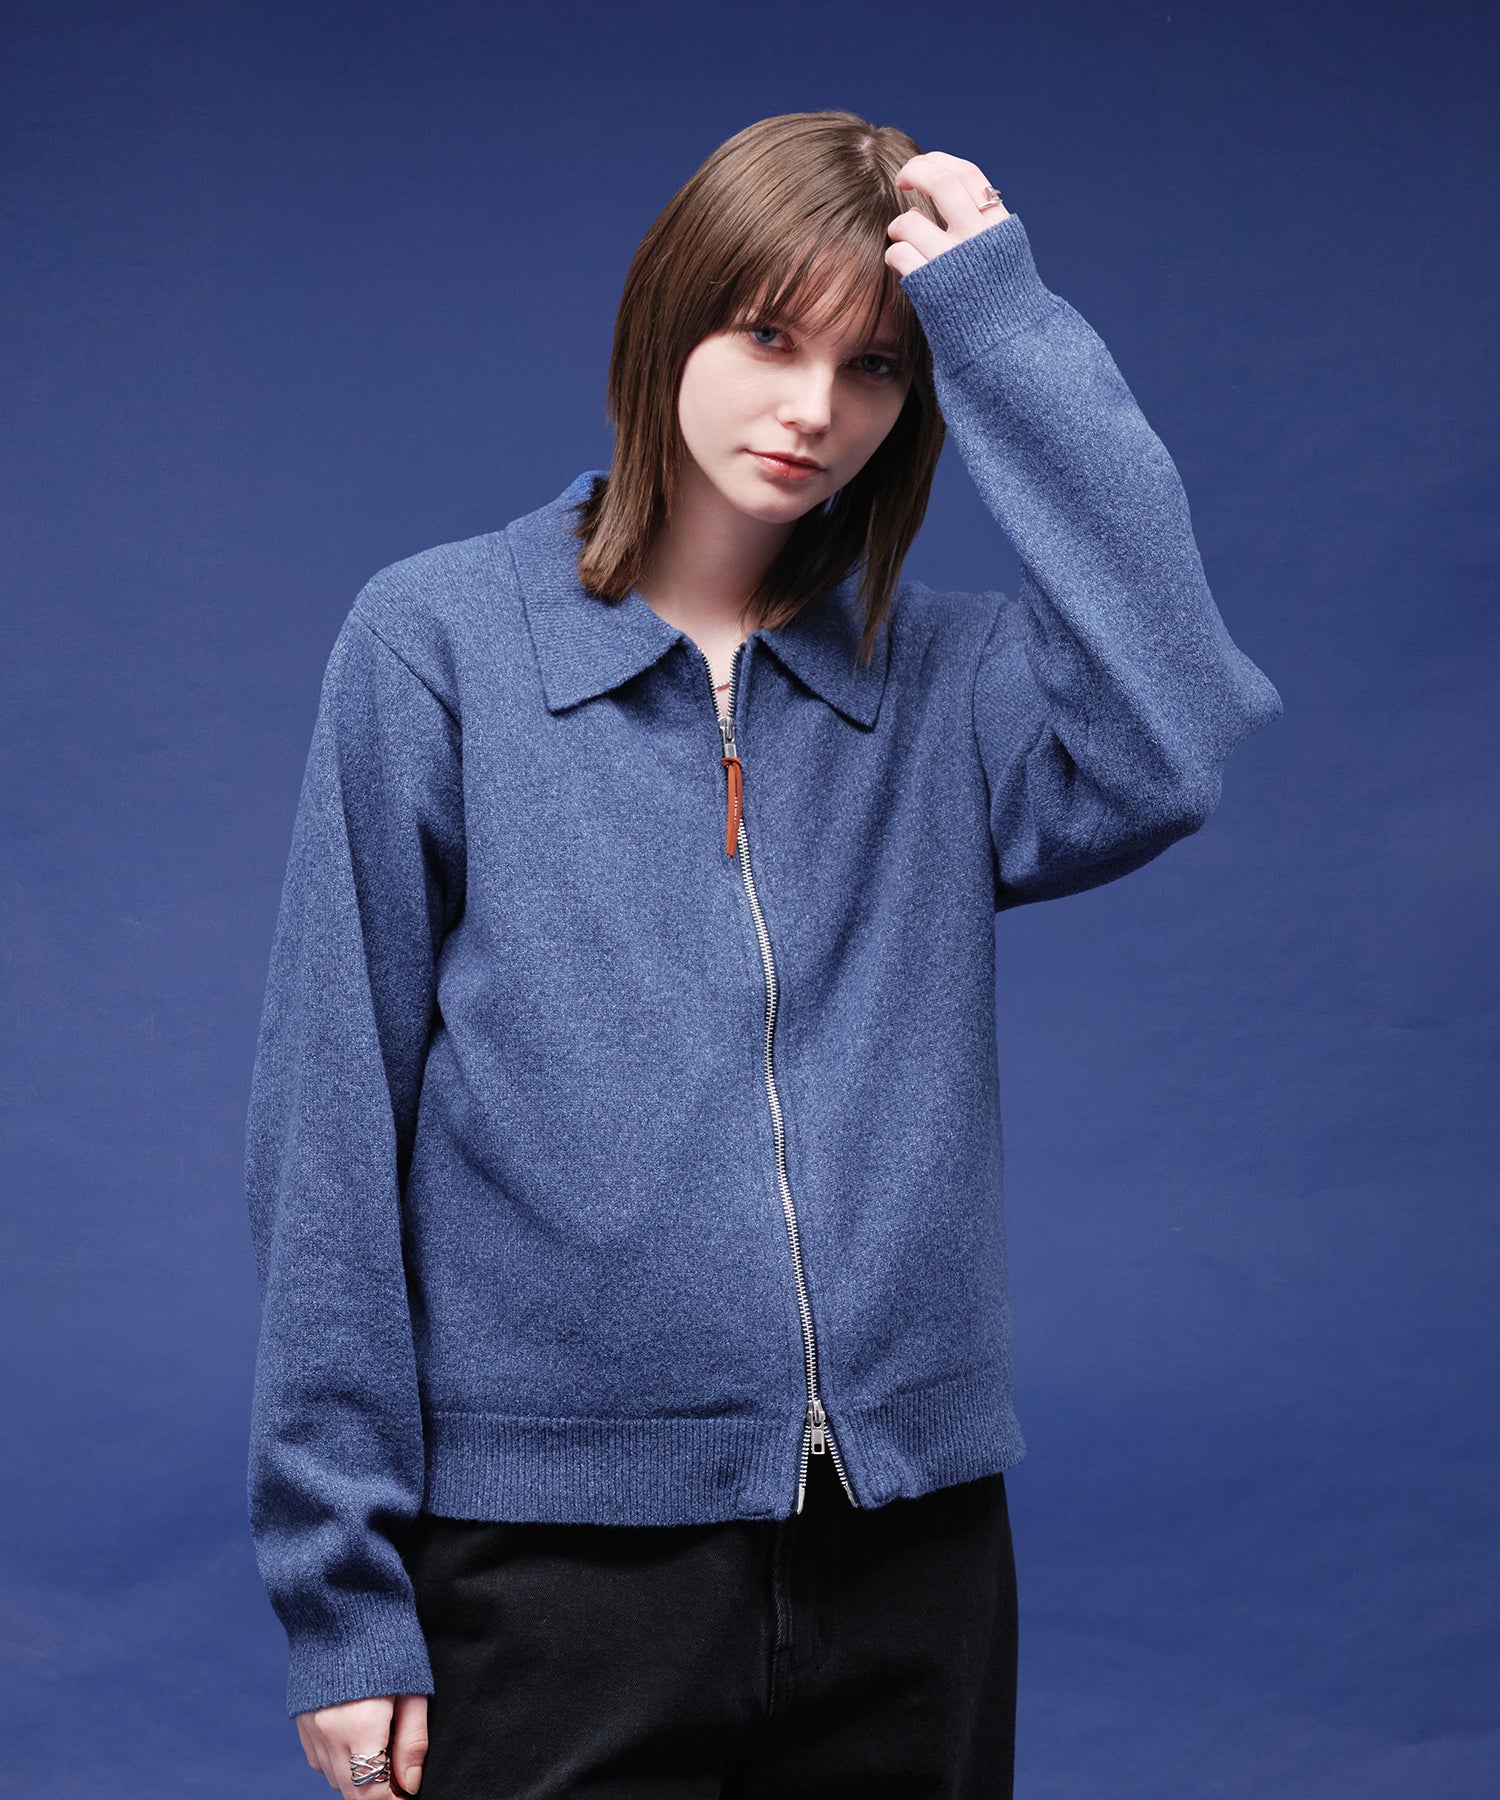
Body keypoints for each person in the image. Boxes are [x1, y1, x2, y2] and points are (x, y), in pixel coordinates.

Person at [244, 110, 1282, 1799]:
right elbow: (330, 1127)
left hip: (910, 1547)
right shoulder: (439, 644)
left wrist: (1004, 323)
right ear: (668, 324)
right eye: (767, 338)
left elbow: (1170, 737)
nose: (814, 409)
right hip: (553, 1563)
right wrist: (341, 1596)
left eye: (875, 367)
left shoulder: (946, 682)